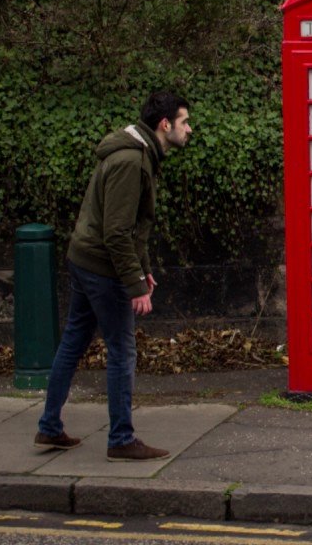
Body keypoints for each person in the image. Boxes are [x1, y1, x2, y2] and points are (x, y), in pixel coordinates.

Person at [34, 91, 192, 461]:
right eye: (184, 121)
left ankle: (49, 427)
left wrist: (145, 270)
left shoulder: (137, 154)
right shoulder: (130, 162)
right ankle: (120, 438)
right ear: (165, 124)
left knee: (73, 341)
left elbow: (134, 226)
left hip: (86, 259)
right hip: (102, 268)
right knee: (122, 351)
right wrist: (135, 284)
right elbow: (117, 233)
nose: (189, 129)